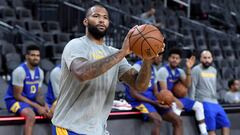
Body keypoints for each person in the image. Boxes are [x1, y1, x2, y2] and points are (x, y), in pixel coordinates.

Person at [51, 5, 162, 135]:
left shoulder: (114, 53)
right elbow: (82, 73)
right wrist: (122, 53)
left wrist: (148, 58)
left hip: (98, 130)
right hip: (70, 127)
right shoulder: (76, 45)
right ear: (85, 21)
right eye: (96, 16)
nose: (101, 20)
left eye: (105, 17)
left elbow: (140, 86)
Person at [125, 54, 183, 135]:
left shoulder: (154, 69)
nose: (161, 60)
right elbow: (134, 94)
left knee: (177, 120)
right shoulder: (136, 67)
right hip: (137, 101)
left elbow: (155, 92)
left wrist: (164, 102)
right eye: (160, 57)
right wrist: (154, 103)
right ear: (154, 56)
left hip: (151, 100)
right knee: (157, 120)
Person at [157, 48, 208, 135]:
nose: (175, 60)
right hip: (165, 100)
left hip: (177, 98)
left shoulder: (179, 71)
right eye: (173, 58)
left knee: (199, 106)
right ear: (168, 58)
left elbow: (187, 85)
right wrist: (176, 101)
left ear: (180, 60)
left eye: (177, 58)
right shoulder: (163, 71)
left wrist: (188, 69)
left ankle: (204, 132)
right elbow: (164, 92)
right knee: (177, 111)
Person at [4, 45, 50, 135]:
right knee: (30, 115)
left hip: (30, 101)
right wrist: (37, 106)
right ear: (27, 56)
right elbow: (17, 95)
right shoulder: (20, 71)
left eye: (37, 55)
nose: (35, 58)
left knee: (51, 112)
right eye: (33, 55)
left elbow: (38, 94)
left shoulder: (40, 72)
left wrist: (45, 106)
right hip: (13, 101)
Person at [190, 50, 231, 135]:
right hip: (203, 102)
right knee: (211, 127)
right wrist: (192, 103)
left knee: (226, 124)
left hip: (215, 102)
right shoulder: (196, 70)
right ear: (200, 59)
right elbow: (192, 87)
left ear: (212, 59)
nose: (207, 60)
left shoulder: (214, 70)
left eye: (209, 58)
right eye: (204, 58)